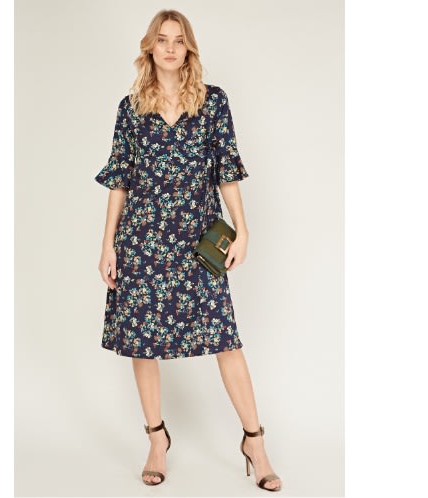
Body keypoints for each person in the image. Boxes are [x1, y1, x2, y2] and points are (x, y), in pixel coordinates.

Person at [94, 9, 282, 492]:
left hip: (198, 241)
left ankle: (255, 442)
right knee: (141, 341)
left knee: (225, 338)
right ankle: (157, 439)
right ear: (150, 47)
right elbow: (119, 180)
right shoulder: (131, 107)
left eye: (179, 40)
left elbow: (227, 170)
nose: (171, 48)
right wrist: (108, 244)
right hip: (141, 241)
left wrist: (242, 230)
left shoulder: (212, 102)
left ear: (189, 48)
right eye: (162, 40)